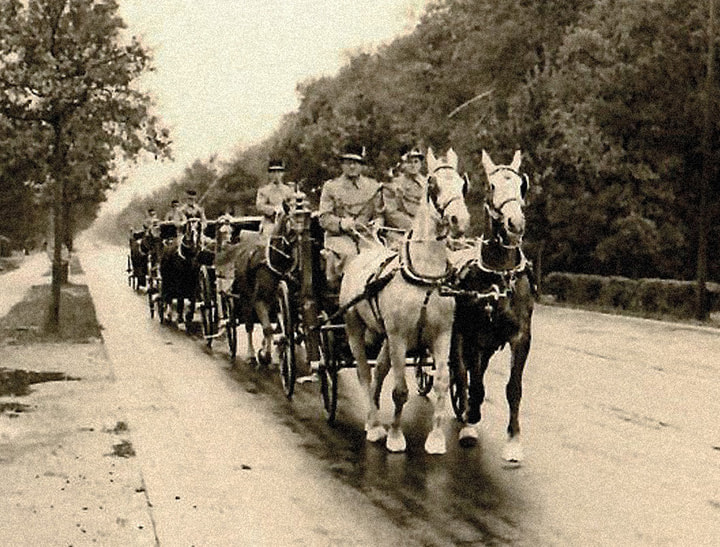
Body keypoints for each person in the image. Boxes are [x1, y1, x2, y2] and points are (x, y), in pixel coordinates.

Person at [318, 143, 383, 290]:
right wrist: (341, 223)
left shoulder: (372, 187)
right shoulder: (331, 187)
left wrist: (378, 221)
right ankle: (347, 295)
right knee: (352, 258)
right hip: (339, 237)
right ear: (342, 165)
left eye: (356, 163)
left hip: (366, 235)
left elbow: (378, 213)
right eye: (348, 163)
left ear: (362, 165)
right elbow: (324, 217)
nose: (352, 167)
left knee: (381, 257)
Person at [383, 146, 427, 233]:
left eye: (416, 162)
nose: (413, 165)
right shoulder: (394, 184)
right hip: (401, 230)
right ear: (402, 164)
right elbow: (391, 212)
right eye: (409, 162)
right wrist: (412, 225)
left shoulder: (426, 183)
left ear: (421, 164)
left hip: (426, 228)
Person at [255, 159, 295, 236]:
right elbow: (260, 206)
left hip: (287, 221)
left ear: (282, 174)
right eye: (273, 172)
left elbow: (293, 204)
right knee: (268, 232)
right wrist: (274, 210)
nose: (276, 175)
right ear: (269, 174)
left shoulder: (288, 190)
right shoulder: (264, 190)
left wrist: (288, 210)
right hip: (270, 222)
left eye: (279, 172)